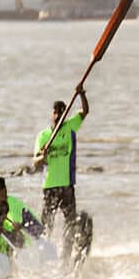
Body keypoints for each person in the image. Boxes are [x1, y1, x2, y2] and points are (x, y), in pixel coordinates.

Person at [33, 86, 89, 257]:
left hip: (66, 185)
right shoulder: (43, 136)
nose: (57, 115)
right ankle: (44, 254)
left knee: (70, 223)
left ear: (65, 113)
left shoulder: (70, 127)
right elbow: (36, 164)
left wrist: (81, 94)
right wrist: (42, 157)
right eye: (55, 111)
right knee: (46, 225)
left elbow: (85, 111)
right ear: (52, 114)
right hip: (49, 186)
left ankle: (67, 254)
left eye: (61, 111)